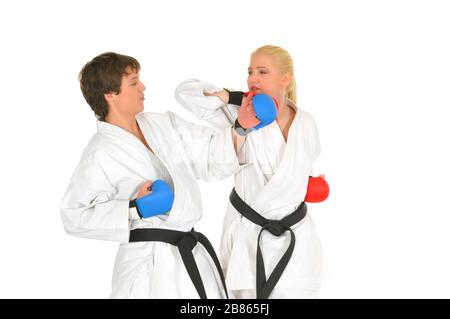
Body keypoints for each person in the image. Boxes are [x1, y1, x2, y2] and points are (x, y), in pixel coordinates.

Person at [60, 52, 243, 298]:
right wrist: (136, 208)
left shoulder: (162, 124)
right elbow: (74, 215)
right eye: (134, 82)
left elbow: (210, 153)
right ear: (110, 95)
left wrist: (243, 127)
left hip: (189, 253)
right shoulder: (101, 152)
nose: (143, 87)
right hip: (147, 264)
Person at [175, 45, 324, 299]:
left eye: (262, 72)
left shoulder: (306, 121)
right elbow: (183, 93)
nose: (252, 78)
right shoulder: (242, 112)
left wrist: (308, 183)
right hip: (248, 237)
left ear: (284, 79)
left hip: (296, 242)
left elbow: (299, 168)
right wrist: (232, 97)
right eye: (250, 71)